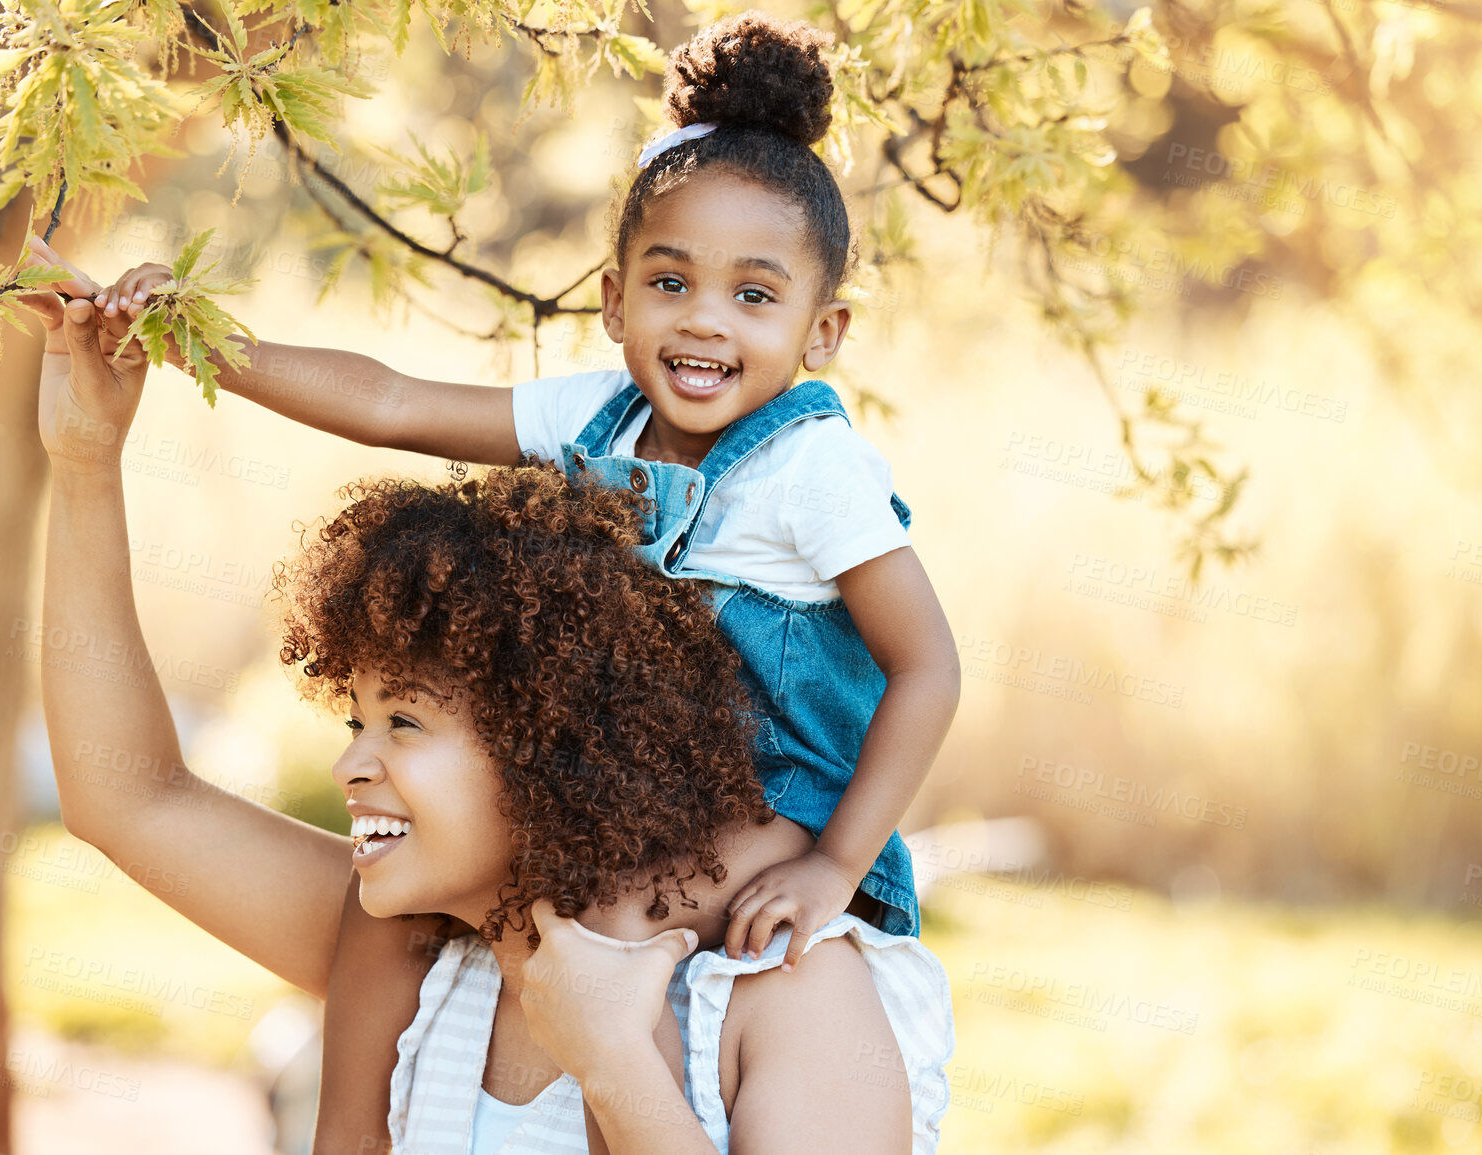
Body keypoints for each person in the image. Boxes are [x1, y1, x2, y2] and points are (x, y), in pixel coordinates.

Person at [83, 8, 961, 961]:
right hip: (625, 786)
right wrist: (195, 337)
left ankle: (633, 1104)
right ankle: (373, 1106)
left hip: (781, 799)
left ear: (820, 333)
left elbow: (927, 666)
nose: (705, 321)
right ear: (615, 301)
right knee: (424, 911)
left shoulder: (809, 468)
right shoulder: (600, 415)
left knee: (608, 925)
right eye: (670, 284)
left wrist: (833, 863)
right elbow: (390, 402)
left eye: (753, 296)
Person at [21, 277, 956, 1153]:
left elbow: (924, 666)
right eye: (357, 722)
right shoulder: (428, 953)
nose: (352, 766)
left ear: (548, 745)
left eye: (405, 723)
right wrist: (84, 459)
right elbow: (125, 796)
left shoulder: (780, 989)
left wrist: (614, 1061)